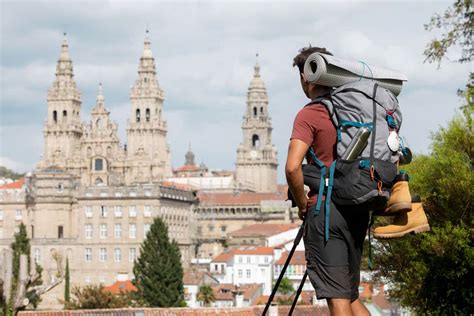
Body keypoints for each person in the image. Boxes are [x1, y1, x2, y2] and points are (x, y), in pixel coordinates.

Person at [286, 46, 371, 316]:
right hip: (357, 208)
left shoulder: (309, 115)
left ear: (305, 77)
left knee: (337, 299)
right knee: (350, 294)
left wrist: (302, 203)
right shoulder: (353, 110)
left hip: (326, 213)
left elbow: (291, 168)